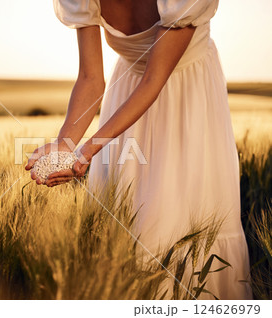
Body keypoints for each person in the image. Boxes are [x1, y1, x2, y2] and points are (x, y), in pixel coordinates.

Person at [25, 0, 253, 299]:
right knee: (126, 221)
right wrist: (65, 144)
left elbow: (154, 80)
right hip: (127, 94)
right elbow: (91, 79)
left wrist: (88, 150)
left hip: (186, 97)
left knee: (177, 218)